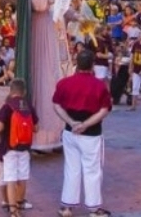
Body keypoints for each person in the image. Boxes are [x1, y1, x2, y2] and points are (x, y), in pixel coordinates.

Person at [14, 0, 72, 152]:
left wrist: (74, 13)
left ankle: (59, 131)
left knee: (59, 74)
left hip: (55, 24)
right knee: (45, 76)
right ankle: (42, 136)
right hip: (40, 26)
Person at [52, 50, 113, 217]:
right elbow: (104, 109)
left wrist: (72, 123)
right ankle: (94, 209)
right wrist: (85, 124)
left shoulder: (64, 83)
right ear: (92, 64)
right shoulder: (99, 85)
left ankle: (66, 207)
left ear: (76, 63)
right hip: (91, 133)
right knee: (92, 170)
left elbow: (56, 105)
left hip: (70, 130)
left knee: (72, 168)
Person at [0, 78, 39, 216]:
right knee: (23, 177)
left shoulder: (7, 106)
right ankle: (20, 204)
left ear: (11, 91)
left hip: (9, 149)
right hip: (24, 149)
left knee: (10, 179)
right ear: (23, 91)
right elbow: (36, 128)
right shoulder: (28, 106)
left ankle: (13, 210)